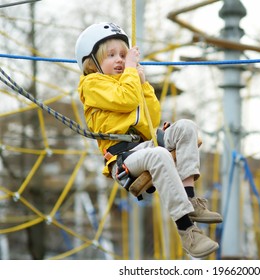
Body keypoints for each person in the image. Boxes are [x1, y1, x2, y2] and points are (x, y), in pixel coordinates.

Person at [75, 22, 222, 258]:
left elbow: (150, 117)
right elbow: (124, 100)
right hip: (123, 157)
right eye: (111, 55)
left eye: (123, 55)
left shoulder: (129, 81)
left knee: (186, 127)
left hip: (144, 144)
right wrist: (132, 72)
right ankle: (187, 230)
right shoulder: (92, 84)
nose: (120, 60)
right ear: (92, 62)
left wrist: (144, 86)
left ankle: (190, 197)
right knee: (160, 155)